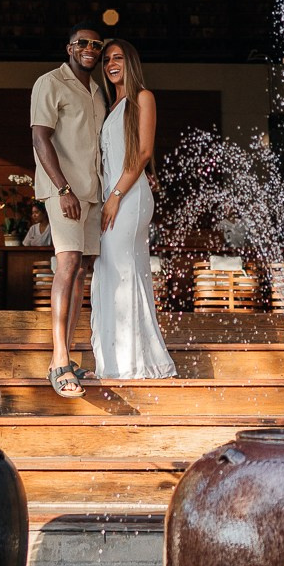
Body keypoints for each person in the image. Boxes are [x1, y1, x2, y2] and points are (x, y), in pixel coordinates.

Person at [91, 38, 176, 380]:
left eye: (118, 57)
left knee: (122, 270)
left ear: (132, 63)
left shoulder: (143, 98)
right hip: (114, 196)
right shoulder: (112, 106)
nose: (111, 63)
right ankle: (117, 360)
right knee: (111, 271)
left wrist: (114, 196)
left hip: (128, 197)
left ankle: (130, 363)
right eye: (107, 59)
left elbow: (141, 153)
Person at [30, 21, 107, 398]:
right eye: (82, 43)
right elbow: (39, 136)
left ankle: (69, 355)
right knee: (67, 263)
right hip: (64, 191)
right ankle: (58, 360)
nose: (90, 48)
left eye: (96, 44)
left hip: (92, 193)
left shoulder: (97, 90)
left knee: (81, 271)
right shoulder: (50, 83)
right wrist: (62, 188)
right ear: (69, 48)